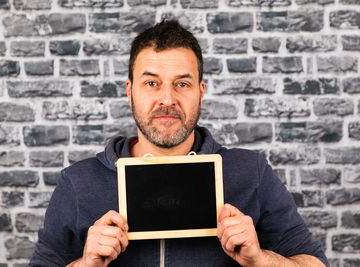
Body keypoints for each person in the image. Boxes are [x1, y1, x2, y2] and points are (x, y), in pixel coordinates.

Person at [29, 20, 329, 267]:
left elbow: (315, 264)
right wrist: (87, 263)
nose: (167, 99)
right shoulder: (78, 181)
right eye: (151, 83)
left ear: (201, 92)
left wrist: (260, 259)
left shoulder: (251, 172)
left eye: (182, 84)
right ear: (130, 91)